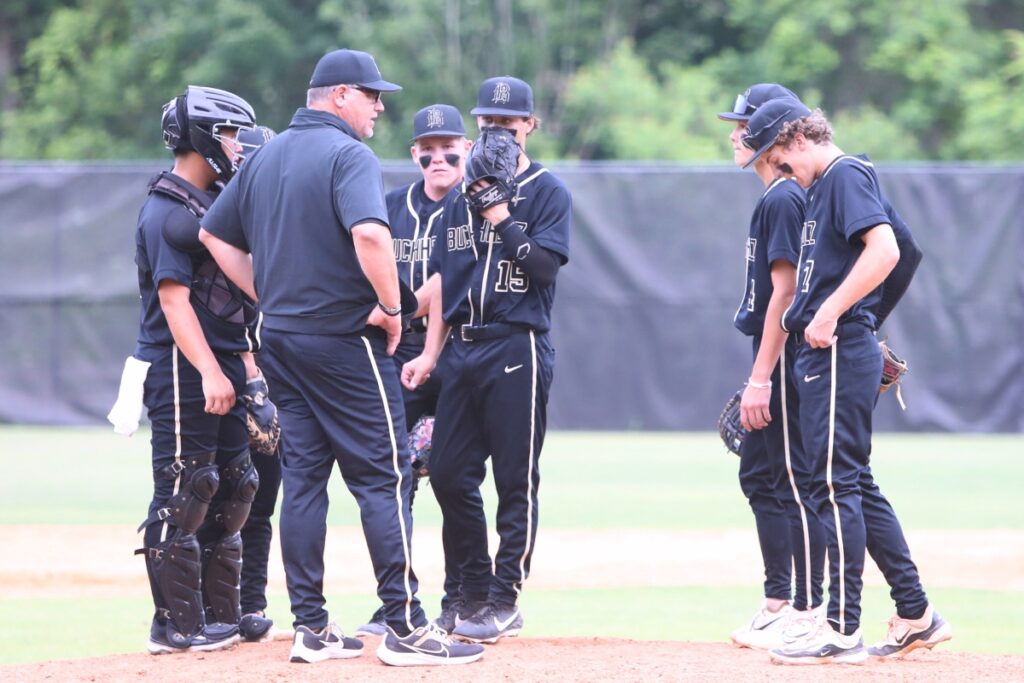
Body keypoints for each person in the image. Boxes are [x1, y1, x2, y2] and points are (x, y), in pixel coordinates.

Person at [198, 48, 484, 667]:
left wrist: (268, 293)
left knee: (304, 479)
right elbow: (371, 235)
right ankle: (407, 628)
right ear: (339, 95)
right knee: (385, 475)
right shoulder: (347, 152)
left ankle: (312, 628)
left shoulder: (266, 153)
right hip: (343, 340)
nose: (380, 105)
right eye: (372, 94)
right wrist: (391, 306)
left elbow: (214, 235)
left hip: (283, 339)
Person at [741, 97, 952, 664]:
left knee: (833, 487)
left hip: (835, 350)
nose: (780, 170)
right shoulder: (821, 186)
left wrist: (841, 314)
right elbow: (901, 250)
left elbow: (888, 250)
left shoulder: (843, 174)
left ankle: (840, 627)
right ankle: (915, 612)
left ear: (799, 139)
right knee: (850, 483)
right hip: (831, 350)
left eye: (780, 156)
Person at [402, 76, 572, 644]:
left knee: (514, 478)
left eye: (508, 123)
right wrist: (430, 352)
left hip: (517, 342)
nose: (497, 131)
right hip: (463, 347)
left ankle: (504, 598)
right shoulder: (457, 198)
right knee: (448, 472)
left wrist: (500, 214)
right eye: (489, 123)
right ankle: (472, 590)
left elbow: (545, 270)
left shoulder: (548, 190)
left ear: (529, 126)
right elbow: (449, 284)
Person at [132, 85, 260, 654]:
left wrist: (246, 373)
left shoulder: (211, 205)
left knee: (236, 487)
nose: (237, 145)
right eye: (230, 133)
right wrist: (210, 371)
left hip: (227, 360)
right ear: (204, 136)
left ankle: (218, 617)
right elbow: (174, 301)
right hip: (184, 368)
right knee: (186, 489)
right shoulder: (166, 208)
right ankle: (174, 625)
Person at [355, 104, 471, 638]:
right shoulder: (390, 206)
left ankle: (461, 598)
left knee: (454, 479)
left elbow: (450, 279)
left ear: (467, 149)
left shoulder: (476, 207)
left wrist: (402, 312)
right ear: (414, 154)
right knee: (392, 475)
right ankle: (396, 601)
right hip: (397, 353)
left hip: (461, 353)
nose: (438, 156)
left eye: (450, 146)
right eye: (428, 148)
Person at [717, 84, 825, 650]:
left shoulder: (783, 196)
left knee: (782, 478)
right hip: (776, 354)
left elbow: (784, 294)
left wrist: (761, 377)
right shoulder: (777, 196)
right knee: (764, 474)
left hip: (781, 357)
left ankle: (796, 606)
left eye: (745, 123)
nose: (735, 132)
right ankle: (781, 601)